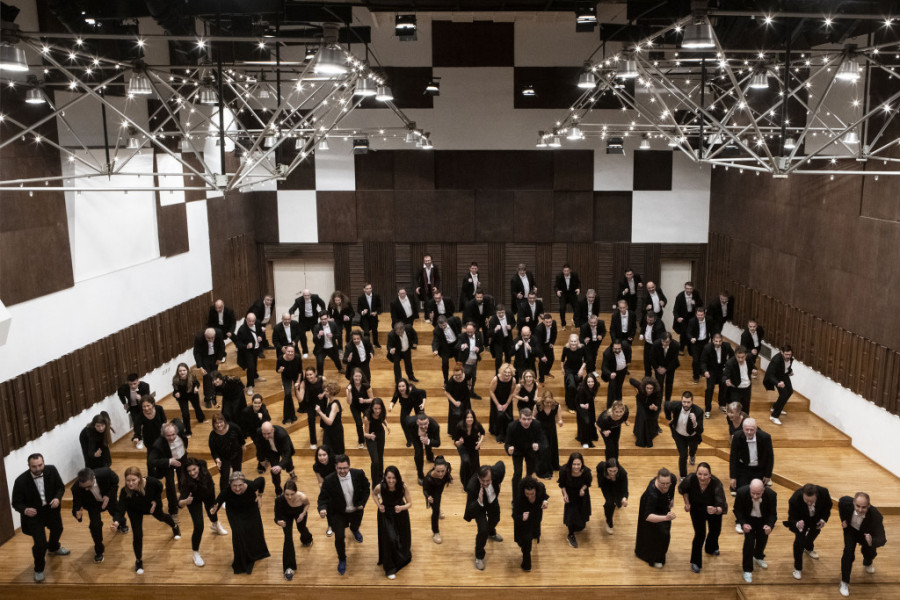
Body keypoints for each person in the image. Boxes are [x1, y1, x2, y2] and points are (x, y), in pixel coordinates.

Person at [110, 466, 180, 575]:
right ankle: (138, 560)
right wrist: (116, 522)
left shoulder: (151, 482)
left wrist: (156, 500)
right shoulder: (124, 491)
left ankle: (175, 527)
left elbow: (160, 486)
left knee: (161, 517)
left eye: (133, 480)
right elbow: (121, 508)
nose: (130, 483)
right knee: (137, 535)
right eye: (128, 480)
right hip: (134, 511)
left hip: (150, 506)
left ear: (139, 478)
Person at [317, 454, 370, 575]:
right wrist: (322, 509)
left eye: (345, 468)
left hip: (356, 510)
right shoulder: (329, 480)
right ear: (336, 467)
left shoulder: (358, 474)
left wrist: (362, 503)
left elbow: (366, 488)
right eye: (340, 468)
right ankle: (342, 559)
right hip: (339, 513)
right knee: (339, 537)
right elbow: (322, 498)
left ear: (349, 466)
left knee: (355, 525)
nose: (342, 471)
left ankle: (354, 529)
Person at [211, 472, 270, 574]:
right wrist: (214, 508)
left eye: (240, 485)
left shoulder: (251, 485)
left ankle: (257, 553)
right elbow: (218, 501)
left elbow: (262, 480)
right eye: (234, 485)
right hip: (234, 512)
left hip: (251, 509)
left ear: (244, 483)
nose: (237, 488)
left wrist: (260, 495)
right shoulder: (226, 490)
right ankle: (242, 560)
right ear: (230, 484)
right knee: (238, 532)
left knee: (254, 530)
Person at [678, 462, 728, 573]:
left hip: (713, 510)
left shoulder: (716, 483)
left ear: (710, 475)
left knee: (715, 531)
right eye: (700, 474)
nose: (702, 477)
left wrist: (715, 510)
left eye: (705, 475)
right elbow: (683, 490)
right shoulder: (690, 479)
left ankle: (710, 547)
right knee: (700, 535)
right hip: (696, 510)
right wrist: (687, 503)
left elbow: (722, 506)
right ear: (696, 473)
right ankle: (695, 562)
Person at [178, 457, 226, 568]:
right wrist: (185, 501)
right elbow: (179, 503)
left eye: (194, 469)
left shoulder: (203, 466)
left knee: (212, 511)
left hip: (208, 492)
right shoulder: (185, 482)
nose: (192, 473)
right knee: (199, 526)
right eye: (189, 471)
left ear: (198, 466)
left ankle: (215, 525)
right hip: (193, 500)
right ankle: (195, 553)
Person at [70, 467, 124, 564]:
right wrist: (77, 514)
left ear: (93, 478)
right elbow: (76, 505)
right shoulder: (76, 488)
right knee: (95, 526)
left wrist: (108, 496)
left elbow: (115, 482)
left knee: (116, 511)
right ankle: (99, 550)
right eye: (84, 487)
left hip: (108, 498)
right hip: (92, 505)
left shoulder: (105, 473)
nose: (86, 489)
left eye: (89, 486)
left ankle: (122, 524)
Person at [838, 492, 887, 597]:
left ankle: (868, 562)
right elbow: (840, 503)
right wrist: (843, 520)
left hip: (866, 535)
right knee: (848, 553)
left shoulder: (876, 516)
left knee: (869, 552)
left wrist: (871, 541)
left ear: (868, 506)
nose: (860, 510)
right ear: (853, 503)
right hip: (850, 531)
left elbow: (882, 539)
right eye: (857, 506)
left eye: (864, 507)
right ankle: (844, 582)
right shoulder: (845, 503)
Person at [784, 483, 832, 580]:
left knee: (815, 532)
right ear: (803, 495)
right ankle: (797, 568)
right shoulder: (794, 499)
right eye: (806, 501)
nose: (809, 503)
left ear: (816, 496)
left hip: (816, 518)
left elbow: (828, 506)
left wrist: (823, 519)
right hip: (801, 519)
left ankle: (808, 548)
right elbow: (791, 517)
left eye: (812, 501)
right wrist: (797, 523)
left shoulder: (824, 492)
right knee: (799, 541)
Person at [464, 461, 506, 571]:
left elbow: (501, 464)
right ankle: (479, 556)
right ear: (478, 478)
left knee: (496, 519)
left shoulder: (496, 472)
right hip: (479, 505)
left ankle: (491, 533)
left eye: (488, 481)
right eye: (483, 481)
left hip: (492, 500)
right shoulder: (472, 487)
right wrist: (478, 501)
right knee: (482, 530)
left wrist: (499, 483)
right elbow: (469, 510)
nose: (486, 483)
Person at [734, 479, 777, 583]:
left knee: (762, 540)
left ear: (763, 490)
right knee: (748, 544)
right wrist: (743, 523)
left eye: (758, 493)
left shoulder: (771, 495)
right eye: (753, 493)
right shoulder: (741, 492)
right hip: (749, 520)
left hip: (763, 520)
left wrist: (770, 526)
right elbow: (737, 510)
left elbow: (772, 513)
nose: (755, 496)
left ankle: (758, 557)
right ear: (749, 489)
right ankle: (747, 569)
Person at [373, 466, 413, 579]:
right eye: (389, 478)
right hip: (386, 515)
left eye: (394, 478)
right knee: (390, 539)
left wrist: (401, 508)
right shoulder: (380, 487)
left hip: (400, 514)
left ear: (397, 478)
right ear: (385, 477)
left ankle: (400, 557)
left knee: (401, 538)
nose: (391, 481)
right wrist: (379, 504)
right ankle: (390, 567)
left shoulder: (403, 487)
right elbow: (374, 494)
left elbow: (410, 503)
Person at [635, 467, 677, 568]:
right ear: (657, 480)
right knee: (652, 532)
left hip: (663, 505)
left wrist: (671, 499)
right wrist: (665, 518)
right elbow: (648, 516)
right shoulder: (652, 494)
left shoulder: (673, 479)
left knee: (665, 532)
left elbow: (672, 489)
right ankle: (653, 557)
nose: (666, 486)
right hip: (650, 508)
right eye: (663, 484)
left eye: (668, 483)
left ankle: (660, 555)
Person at [147, 420, 188, 515]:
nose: (172, 437)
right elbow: (150, 461)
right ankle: (173, 510)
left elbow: (185, 441)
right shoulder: (158, 444)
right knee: (170, 486)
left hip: (181, 459)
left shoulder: (181, 434)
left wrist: (184, 452)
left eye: (173, 434)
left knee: (183, 478)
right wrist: (169, 461)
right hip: (167, 463)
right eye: (168, 436)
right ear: (163, 435)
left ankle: (182, 499)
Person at [274, 480, 313, 581]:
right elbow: (277, 517)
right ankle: (289, 568)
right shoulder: (279, 500)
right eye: (287, 494)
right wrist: (279, 522)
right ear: (283, 492)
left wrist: (303, 514)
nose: (289, 497)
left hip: (299, 512)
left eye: (292, 494)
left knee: (302, 528)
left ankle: (307, 539)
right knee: (288, 538)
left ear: (296, 491)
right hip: (285, 515)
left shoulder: (302, 497)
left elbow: (307, 504)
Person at [513, 476, 550, 571]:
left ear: (536, 490)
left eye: (532, 493)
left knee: (532, 535)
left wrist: (545, 501)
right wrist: (522, 517)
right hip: (523, 522)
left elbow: (544, 492)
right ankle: (526, 563)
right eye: (527, 494)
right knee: (525, 541)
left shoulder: (540, 488)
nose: (530, 496)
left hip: (536, 517)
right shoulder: (519, 499)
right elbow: (514, 516)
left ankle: (526, 564)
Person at [665, 391, 704, 479]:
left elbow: (700, 430)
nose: (686, 404)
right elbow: (666, 405)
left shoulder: (698, 411)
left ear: (692, 401)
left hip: (692, 436)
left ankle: (692, 455)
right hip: (679, 436)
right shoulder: (676, 405)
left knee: (693, 449)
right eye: (684, 402)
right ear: (681, 401)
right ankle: (683, 476)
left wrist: (695, 422)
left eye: (688, 402)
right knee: (683, 455)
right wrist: (668, 417)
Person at [729, 418, 774, 492]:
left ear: (756, 429)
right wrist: (732, 477)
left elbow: (770, 457)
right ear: (743, 429)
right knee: (742, 491)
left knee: (759, 491)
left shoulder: (765, 437)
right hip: (744, 468)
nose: (749, 432)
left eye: (752, 430)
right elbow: (733, 458)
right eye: (747, 430)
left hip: (759, 468)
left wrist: (768, 475)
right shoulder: (737, 437)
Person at [559, 452, 592, 548]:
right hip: (570, 494)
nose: (576, 467)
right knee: (571, 516)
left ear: (582, 464)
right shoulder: (564, 471)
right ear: (570, 464)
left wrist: (582, 489)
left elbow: (587, 483)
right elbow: (562, 485)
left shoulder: (586, 472)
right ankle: (570, 534)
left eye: (578, 464)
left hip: (581, 494)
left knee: (581, 525)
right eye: (574, 464)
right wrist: (565, 495)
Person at [506, 408, 543, 494]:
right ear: (519, 419)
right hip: (517, 450)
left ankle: (527, 494)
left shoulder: (537, 425)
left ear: (532, 418)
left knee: (530, 474)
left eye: (529, 419)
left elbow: (541, 440)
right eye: (524, 419)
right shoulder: (512, 426)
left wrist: (538, 446)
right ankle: (516, 498)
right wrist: (509, 449)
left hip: (530, 450)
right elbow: (507, 443)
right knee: (517, 473)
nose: (526, 422)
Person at [208, 413, 245, 492]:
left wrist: (243, 444)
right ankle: (224, 495)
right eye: (216, 423)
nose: (219, 425)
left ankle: (238, 490)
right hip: (222, 458)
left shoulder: (233, 427)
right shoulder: (212, 435)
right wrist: (217, 459)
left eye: (220, 422)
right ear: (213, 424)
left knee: (237, 473)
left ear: (224, 421)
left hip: (236, 453)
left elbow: (240, 435)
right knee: (224, 476)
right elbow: (213, 451)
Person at [257, 422, 296, 495]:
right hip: (271, 452)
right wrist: (261, 459)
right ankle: (278, 490)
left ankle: (292, 473)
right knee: (274, 471)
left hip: (283, 449)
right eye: (264, 434)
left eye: (268, 433)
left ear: (272, 430)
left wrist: (280, 466)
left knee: (288, 463)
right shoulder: (259, 432)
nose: (266, 436)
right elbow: (259, 447)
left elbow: (287, 453)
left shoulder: (282, 434)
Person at [701, 333, 734, 418]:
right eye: (716, 341)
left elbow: (732, 357)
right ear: (713, 340)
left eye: (720, 341)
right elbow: (703, 361)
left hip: (722, 369)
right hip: (711, 370)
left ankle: (722, 404)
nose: (718, 343)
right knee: (709, 388)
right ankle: (708, 409)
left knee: (724, 387)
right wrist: (705, 371)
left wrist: (727, 366)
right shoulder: (707, 348)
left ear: (722, 341)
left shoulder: (727, 346)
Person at [423, 456, 453, 544]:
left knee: (438, 500)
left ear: (446, 468)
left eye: (442, 471)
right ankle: (435, 532)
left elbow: (448, 473)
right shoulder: (428, 478)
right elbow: (425, 490)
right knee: (435, 511)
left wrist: (448, 478)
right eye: (438, 471)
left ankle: (438, 508)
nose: (440, 474)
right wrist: (428, 497)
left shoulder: (447, 469)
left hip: (439, 490)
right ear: (434, 468)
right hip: (431, 493)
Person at [389, 379, 427, 447]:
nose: (401, 388)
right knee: (403, 420)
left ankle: (422, 437)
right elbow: (393, 400)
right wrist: (391, 406)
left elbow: (423, 392)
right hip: (406, 404)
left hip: (417, 401)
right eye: (399, 386)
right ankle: (409, 439)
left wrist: (423, 404)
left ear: (406, 386)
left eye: (403, 386)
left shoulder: (414, 391)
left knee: (421, 419)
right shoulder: (398, 392)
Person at [289, 288, 326, 357]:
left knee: (317, 335)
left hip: (313, 319)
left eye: (308, 295)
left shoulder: (315, 297)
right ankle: (305, 351)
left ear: (310, 294)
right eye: (305, 295)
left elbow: (322, 304)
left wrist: (322, 313)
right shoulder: (298, 300)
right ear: (303, 295)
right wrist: (292, 314)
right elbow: (291, 309)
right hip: (303, 320)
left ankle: (318, 350)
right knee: (302, 336)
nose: (307, 297)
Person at [193, 328, 225, 408]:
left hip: (215, 357)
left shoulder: (219, 333)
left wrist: (219, 358)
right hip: (205, 357)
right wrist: (200, 366)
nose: (210, 340)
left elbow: (222, 346)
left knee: (214, 376)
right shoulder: (199, 337)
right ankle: (207, 399)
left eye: (212, 338)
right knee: (207, 377)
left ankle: (213, 396)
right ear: (205, 336)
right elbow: (196, 352)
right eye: (208, 338)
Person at [406, 411, 441, 484]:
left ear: (428, 421)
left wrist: (428, 441)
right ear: (417, 422)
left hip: (429, 435)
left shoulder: (435, 426)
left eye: (425, 424)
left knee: (428, 445)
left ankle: (430, 457)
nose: (423, 426)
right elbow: (405, 421)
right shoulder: (410, 422)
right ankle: (420, 475)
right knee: (418, 453)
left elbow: (438, 443)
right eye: (421, 424)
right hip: (416, 436)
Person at [235, 312, 266, 394]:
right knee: (251, 367)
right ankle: (250, 386)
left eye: (253, 321)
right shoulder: (242, 329)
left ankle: (255, 376)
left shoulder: (258, 323)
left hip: (256, 349)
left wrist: (260, 337)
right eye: (250, 321)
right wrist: (246, 346)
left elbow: (261, 332)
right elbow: (238, 343)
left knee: (255, 364)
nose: (252, 323)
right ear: (246, 320)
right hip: (248, 351)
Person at [454, 409, 485, 488]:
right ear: (464, 418)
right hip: (463, 446)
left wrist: (480, 442)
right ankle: (465, 484)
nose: (469, 419)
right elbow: (455, 442)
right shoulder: (460, 426)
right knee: (466, 462)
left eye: (471, 417)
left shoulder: (477, 425)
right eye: (467, 417)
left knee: (475, 465)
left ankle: (474, 483)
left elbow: (483, 433)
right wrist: (459, 442)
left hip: (473, 446)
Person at [171, 362, 205, 436]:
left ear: (187, 370)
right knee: (185, 414)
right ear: (178, 372)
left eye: (184, 370)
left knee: (197, 407)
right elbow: (175, 391)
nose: (182, 372)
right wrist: (176, 394)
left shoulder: (192, 376)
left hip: (192, 394)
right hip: (182, 397)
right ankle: (188, 431)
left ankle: (201, 419)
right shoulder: (175, 379)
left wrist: (196, 387)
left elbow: (197, 383)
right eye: (180, 371)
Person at [118, 374, 151, 449]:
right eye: (130, 384)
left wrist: (141, 398)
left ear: (138, 382)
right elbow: (120, 394)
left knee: (147, 423)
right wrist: (124, 403)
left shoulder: (145, 386)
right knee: (136, 423)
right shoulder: (124, 388)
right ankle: (139, 439)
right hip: (133, 407)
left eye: (134, 384)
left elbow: (148, 399)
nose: (132, 386)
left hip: (144, 407)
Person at [597, 458, 629, 534]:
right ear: (606, 469)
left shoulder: (623, 473)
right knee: (610, 503)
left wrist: (624, 499)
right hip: (606, 485)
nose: (612, 473)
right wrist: (602, 477)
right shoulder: (602, 466)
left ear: (618, 469)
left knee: (619, 503)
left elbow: (625, 489)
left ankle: (618, 502)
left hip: (618, 486)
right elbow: (598, 468)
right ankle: (609, 522)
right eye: (610, 471)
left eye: (615, 471)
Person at [363, 398, 390, 490]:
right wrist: (370, 436)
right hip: (371, 437)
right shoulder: (367, 417)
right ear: (372, 408)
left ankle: (381, 478)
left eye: (379, 408)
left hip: (380, 435)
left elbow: (383, 419)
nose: (378, 411)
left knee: (380, 457)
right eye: (375, 409)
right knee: (375, 461)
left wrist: (387, 425)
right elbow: (364, 433)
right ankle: (375, 484)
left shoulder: (381, 413)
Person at [488, 363, 518, 443]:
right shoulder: (496, 379)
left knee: (508, 417)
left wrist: (507, 404)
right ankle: (499, 434)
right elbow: (491, 391)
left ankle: (508, 435)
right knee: (500, 415)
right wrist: (498, 404)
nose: (507, 374)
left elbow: (512, 393)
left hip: (507, 400)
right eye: (505, 372)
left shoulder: (513, 380)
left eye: (509, 372)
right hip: (496, 400)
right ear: (502, 372)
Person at [765, 345, 794, 425]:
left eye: (789, 354)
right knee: (784, 395)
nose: (788, 356)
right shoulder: (776, 360)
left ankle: (775, 406)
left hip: (784, 375)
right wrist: (778, 383)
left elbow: (786, 366)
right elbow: (770, 375)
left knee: (790, 391)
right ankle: (774, 416)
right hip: (776, 377)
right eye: (786, 354)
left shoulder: (790, 358)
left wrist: (790, 371)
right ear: (781, 352)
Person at [297, 366, 326, 448]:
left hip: (321, 402)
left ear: (315, 373)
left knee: (324, 417)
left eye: (311, 374)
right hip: (310, 404)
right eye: (307, 375)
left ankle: (324, 428)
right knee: (310, 420)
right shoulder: (304, 383)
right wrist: (296, 390)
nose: (309, 377)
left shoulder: (322, 379)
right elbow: (300, 399)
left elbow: (327, 388)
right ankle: (313, 442)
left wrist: (323, 394)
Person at [723, 346, 757, 413]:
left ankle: (745, 423)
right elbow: (725, 375)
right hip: (736, 389)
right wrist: (726, 380)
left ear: (746, 355)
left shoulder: (748, 358)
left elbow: (753, 366)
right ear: (735, 355)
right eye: (738, 357)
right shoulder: (730, 363)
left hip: (747, 388)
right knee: (736, 411)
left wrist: (754, 370)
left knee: (746, 410)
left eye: (742, 357)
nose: (740, 359)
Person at [456, 321, 485, 399]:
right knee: (463, 378)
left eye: (471, 332)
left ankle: (471, 392)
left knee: (473, 378)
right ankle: (462, 394)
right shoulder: (462, 336)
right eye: (468, 331)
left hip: (474, 362)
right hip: (465, 362)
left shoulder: (479, 335)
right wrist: (462, 346)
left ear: (475, 329)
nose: (469, 333)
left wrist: (478, 349)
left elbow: (482, 347)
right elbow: (457, 345)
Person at [650, 333, 681, 405]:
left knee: (669, 383)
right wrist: (657, 368)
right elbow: (652, 357)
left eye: (666, 342)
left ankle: (667, 401)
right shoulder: (656, 344)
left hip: (670, 367)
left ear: (670, 341)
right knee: (659, 384)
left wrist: (666, 368)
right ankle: (658, 401)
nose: (664, 343)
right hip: (659, 366)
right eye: (663, 341)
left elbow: (674, 359)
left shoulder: (676, 345)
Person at [347, 368, 374, 449]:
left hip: (366, 405)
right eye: (356, 376)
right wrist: (349, 391)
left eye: (359, 376)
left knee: (367, 421)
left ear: (362, 377)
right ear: (353, 377)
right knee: (358, 424)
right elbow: (349, 402)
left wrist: (364, 401)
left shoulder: (366, 386)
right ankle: (361, 441)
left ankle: (369, 437)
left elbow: (372, 399)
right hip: (355, 407)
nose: (357, 378)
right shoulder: (349, 387)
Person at [316, 381, 346, 455]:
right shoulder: (330, 402)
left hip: (335, 433)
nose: (324, 392)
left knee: (335, 454)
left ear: (331, 392)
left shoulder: (334, 405)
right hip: (329, 431)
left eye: (326, 391)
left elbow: (330, 421)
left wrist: (319, 412)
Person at [632, 376, 662, 448]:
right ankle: (640, 437)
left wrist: (655, 408)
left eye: (651, 388)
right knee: (643, 417)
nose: (649, 390)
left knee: (650, 417)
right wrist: (635, 389)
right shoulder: (640, 387)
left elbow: (658, 407)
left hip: (651, 407)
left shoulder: (657, 393)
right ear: (644, 387)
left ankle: (651, 433)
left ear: (654, 388)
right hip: (641, 403)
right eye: (647, 388)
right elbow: (631, 380)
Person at [673, 281, 703, 353]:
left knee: (692, 332)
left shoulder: (696, 293)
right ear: (684, 288)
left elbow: (701, 303)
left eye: (690, 289)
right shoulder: (679, 296)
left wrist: (695, 303)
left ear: (693, 288)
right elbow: (675, 309)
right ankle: (681, 348)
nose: (689, 290)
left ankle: (690, 349)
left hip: (692, 316)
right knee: (683, 333)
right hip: (683, 317)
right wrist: (677, 318)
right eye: (687, 288)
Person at [432, 314, 462, 384]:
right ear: (438, 324)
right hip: (445, 347)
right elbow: (435, 341)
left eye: (444, 325)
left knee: (460, 362)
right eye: (441, 326)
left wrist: (459, 332)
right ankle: (446, 380)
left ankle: (461, 376)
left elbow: (458, 319)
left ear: (446, 322)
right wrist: (435, 350)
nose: (443, 327)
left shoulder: (452, 320)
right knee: (445, 363)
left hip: (456, 344)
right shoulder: (436, 330)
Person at [276, 345, 303, 424]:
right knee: (287, 394)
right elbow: (277, 370)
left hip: (296, 376)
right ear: (285, 351)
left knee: (299, 390)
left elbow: (300, 371)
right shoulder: (280, 359)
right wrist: (280, 370)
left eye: (292, 352)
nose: (290, 353)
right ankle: (289, 417)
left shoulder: (297, 357)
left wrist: (298, 381)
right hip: (286, 377)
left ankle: (302, 407)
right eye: (288, 351)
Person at [601, 340, 631, 409]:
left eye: (619, 349)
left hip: (622, 371)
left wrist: (629, 360)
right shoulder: (607, 353)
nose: (617, 350)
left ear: (621, 347)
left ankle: (619, 404)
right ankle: (610, 408)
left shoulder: (626, 346)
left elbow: (629, 350)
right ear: (612, 347)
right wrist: (610, 373)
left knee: (619, 387)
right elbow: (603, 367)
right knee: (612, 389)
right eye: (615, 349)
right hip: (613, 372)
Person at [312, 311, 344, 376]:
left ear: (328, 318)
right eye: (322, 319)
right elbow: (314, 340)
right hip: (321, 349)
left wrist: (333, 335)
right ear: (320, 319)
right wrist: (318, 335)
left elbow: (339, 335)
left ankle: (340, 369)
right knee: (319, 362)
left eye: (325, 319)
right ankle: (320, 376)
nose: (323, 321)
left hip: (332, 347)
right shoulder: (316, 327)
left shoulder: (333, 324)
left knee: (336, 359)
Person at [561, 333, 586, 412]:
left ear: (577, 341)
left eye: (575, 341)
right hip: (568, 369)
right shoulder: (566, 348)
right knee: (571, 386)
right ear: (569, 341)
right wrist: (562, 368)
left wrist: (582, 369)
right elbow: (562, 360)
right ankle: (570, 406)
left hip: (578, 369)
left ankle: (577, 404)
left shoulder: (582, 348)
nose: (573, 343)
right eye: (572, 341)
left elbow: (586, 360)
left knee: (578, 387)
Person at [686, 306, 711, 384]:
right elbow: (688, 332)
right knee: (696, 360)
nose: (700, 316)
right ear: (696, 314)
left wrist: (712, 338)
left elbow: (712, 330)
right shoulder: (692, 321)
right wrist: (691, 338)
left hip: (705, 342)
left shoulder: (709, 320)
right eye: (698, 315)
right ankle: (696, 376)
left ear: (704, 314)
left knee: (703, 358)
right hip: (695, 342)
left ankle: (701, 372)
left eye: (701, 315)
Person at [488, 304, 515, 374]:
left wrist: (511, 326)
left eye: (502, 312)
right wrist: (495, 330)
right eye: (499, 313)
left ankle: (507, 372)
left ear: (505, 311)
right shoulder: (493, 320)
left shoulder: (509, 314)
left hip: (507, 339)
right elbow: (489, 333)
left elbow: (514, 322)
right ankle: (498, 374)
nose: (501, 314)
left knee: (508, 356)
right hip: (498, 341)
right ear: (496, 312)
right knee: (498, 358)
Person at [444, 363, 471, 435]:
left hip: (465, 398)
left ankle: (466, 430)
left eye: (460, 375)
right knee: (456, 415)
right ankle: (455, 432)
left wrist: (469, 386)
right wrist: (454, 402)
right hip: (455, 399)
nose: (458, 377)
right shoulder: (451, 381)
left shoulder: (467, 375)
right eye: (456, 375)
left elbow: (469, 380)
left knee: (467, 414)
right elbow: (446, 393)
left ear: (463, 372)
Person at [575, 374, 600, 448]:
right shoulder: (582, 389)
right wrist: (583, 406)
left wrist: (590, 402)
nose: (591, 383)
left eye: (592, 381)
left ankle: (592, 436)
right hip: (581, 404)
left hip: (589, 402)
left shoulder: (597, 385)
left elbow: (593, 395)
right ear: (586, 382)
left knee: (592, 419)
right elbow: (579, 402)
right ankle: (585, 441)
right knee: (586, 421)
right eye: (588, 382)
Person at [640, 311, 667, 377]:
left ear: (655, 319)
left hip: (656, 346)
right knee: (646, 362)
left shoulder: (659, 325)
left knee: (655, 362)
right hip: (647, 344)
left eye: (651, 320)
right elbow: (643, 326)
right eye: (648, 320)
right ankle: (647, 377)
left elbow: (659, 340)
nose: (649, 322)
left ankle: (658, 378)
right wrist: (641, 333)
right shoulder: (646, 319)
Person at [555, 264, 581, 328]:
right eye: (565, 271)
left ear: (570, 271)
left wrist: (578, 289)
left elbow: (578, 283)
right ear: (563, 271)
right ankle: (563, 324)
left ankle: (576, 322)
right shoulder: (559, 276)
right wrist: (557, 291)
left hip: (572, 293)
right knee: (562, 308)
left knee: (577, 308)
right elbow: (556, 286)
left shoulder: (574, 275)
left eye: (567, 271)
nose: (566, 272)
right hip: (563, 294)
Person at [357, 283, 383, 348]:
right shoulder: (361, 298)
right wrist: (363, 312)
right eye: (367, 288)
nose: (369, 290)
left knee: (375, 330)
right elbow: (358, 309)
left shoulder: (376, 296)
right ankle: (367, 345)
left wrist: (376, 312)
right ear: (364, 290)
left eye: (370, 288)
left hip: (373, 317)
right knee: (366, 332)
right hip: (365, 317)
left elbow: (379, 307)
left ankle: (376, 343)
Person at [534, 313, 557, 383]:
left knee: (551, 359)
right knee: (542, 362)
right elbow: (538, 344)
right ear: (543, 321)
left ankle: (546, 372)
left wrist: (552, 343)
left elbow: (555, 333)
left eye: (550, 322)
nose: (549, 324)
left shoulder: (554, 323)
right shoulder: (539, 329)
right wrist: (542, 355)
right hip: (541, 346)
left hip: (548, 344)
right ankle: (541, 379)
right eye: (547, 322)